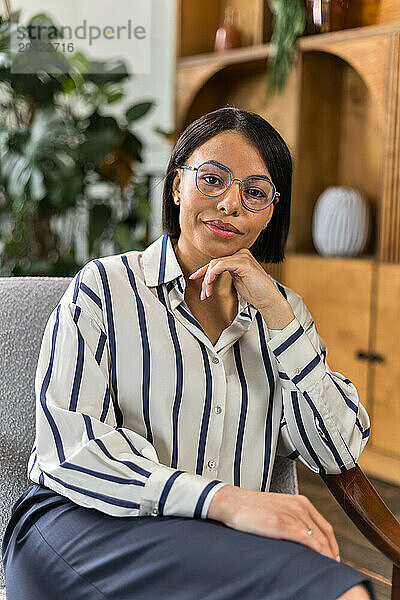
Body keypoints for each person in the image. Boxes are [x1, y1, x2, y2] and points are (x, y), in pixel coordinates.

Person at [2, 107, 375, 600]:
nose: (230, 205)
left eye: (255, 192)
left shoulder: (284, 315)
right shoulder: (103, 287)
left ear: (270, 212)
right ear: (177, 185)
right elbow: (71, 451)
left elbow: (338, 450)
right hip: (82, 523)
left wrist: (281, 318)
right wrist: (222, 500)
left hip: (212, 544)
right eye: (213, 180)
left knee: (340, 591)